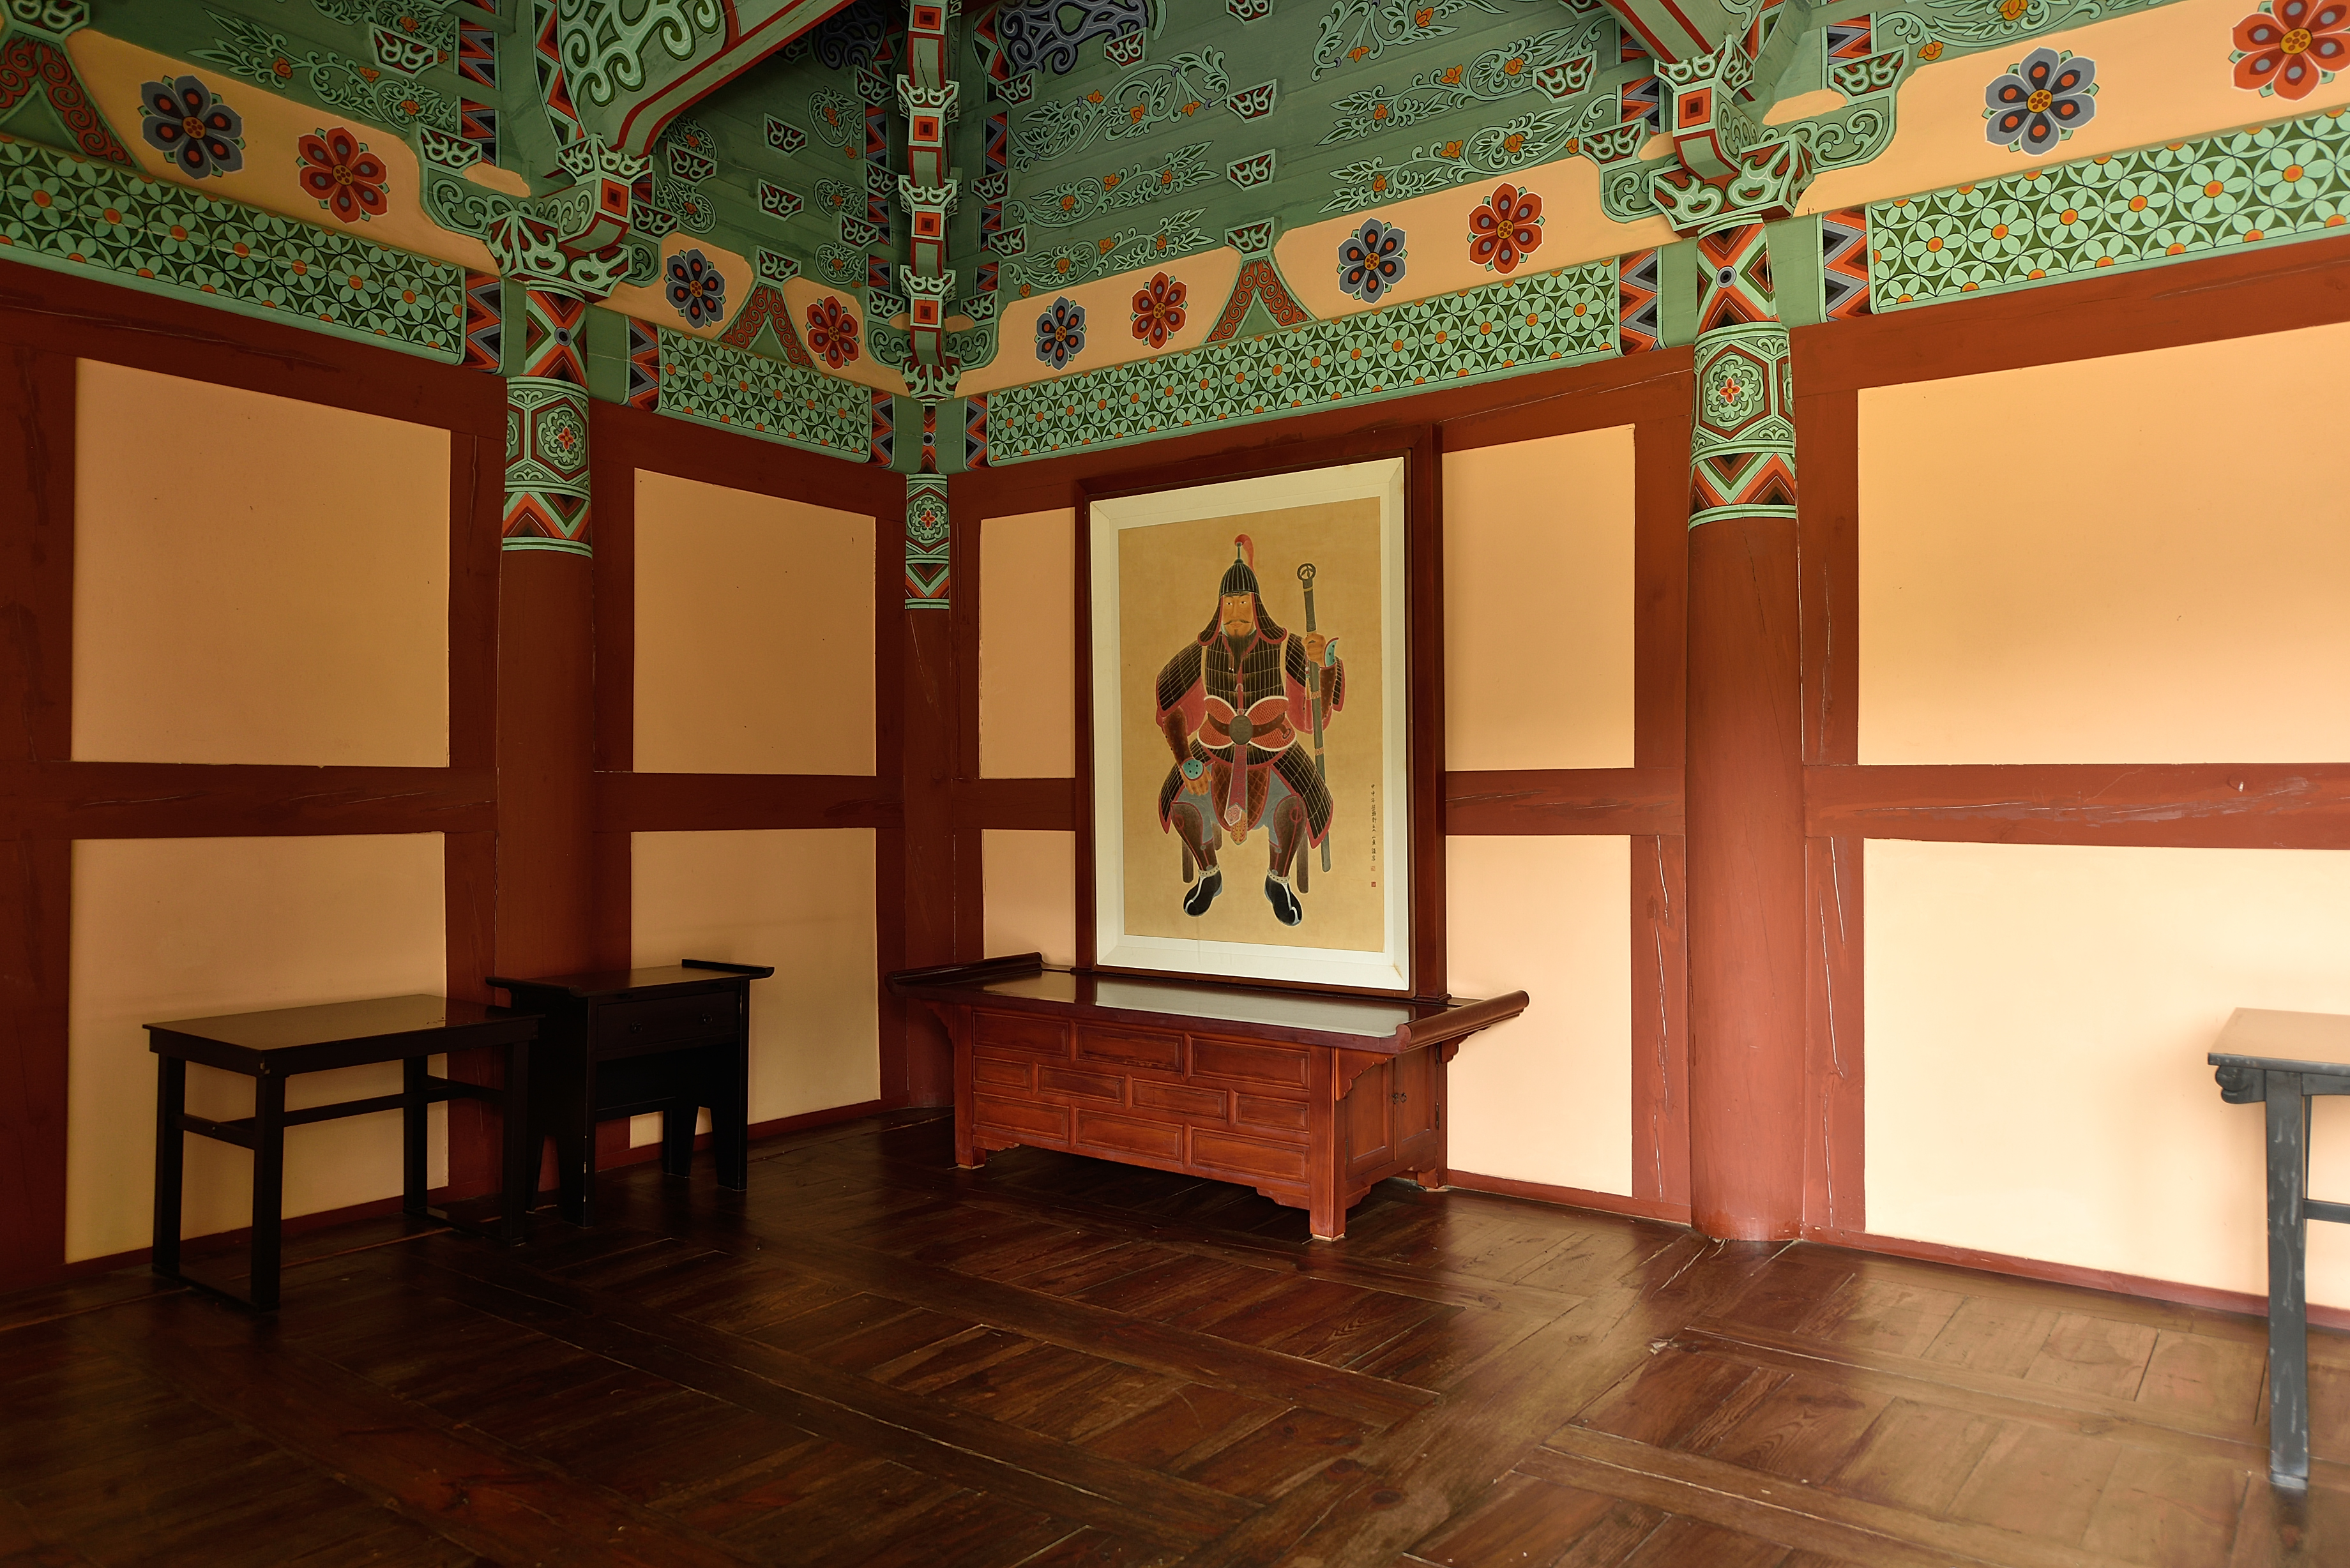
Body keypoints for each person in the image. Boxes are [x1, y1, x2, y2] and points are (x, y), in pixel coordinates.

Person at [1151, 534, 1344, 925]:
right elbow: (1172, 713)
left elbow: (1312, 720)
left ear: (1257, 606)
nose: (1235, 613)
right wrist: (1186, 761)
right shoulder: (1201, 652)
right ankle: (1209, 874)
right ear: (1219, 607)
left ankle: (1278, 880)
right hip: (1213, 747)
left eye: (1243, 603)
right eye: (1229, 604)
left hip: (1275, 748)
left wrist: (1323, 667)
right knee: (1181, 805)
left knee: (1296, 809)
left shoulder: (1286, 647)